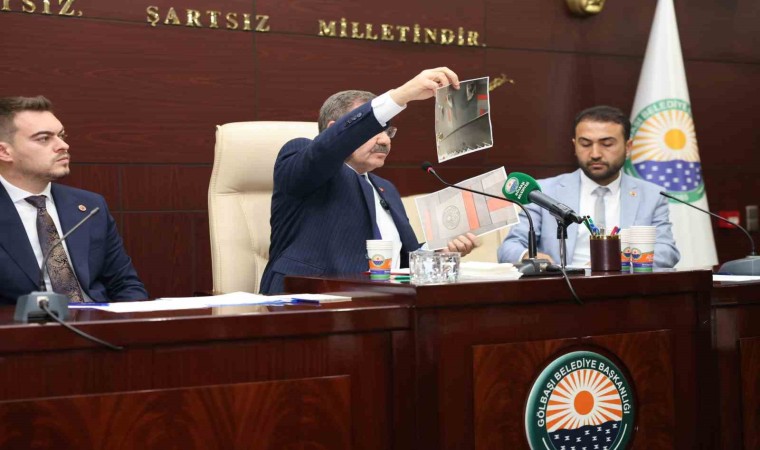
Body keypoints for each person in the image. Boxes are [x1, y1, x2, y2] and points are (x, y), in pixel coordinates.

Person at [260, 68, 477, 294]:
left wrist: (438, 252)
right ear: (335, 130)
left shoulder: (385, 189)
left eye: (388, 132)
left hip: (379, 303)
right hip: (308, 301)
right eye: (373, 131)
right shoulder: (302, 156)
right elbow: (325, 150)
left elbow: (401, 262)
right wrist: (402, 95)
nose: (385, 140)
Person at [0, 96, 147, 304]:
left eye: (61, 135)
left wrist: (127, 320)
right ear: (4, 152)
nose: (63, 145)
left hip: (99, 320)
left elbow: (124, 284)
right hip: (26, 322)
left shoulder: (90, 206)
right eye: (44, 138)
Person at [498, 105, 680, 268]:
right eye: (585, 144)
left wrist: (616, 260)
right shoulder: (543, 192)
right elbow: (509, 247)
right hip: (562, 287)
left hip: (626, 286)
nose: (595, 154)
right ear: (574, 145)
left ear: (628, 147)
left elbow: (667, 251)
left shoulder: (651, 195)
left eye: (607, 144)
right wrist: (531, 256)